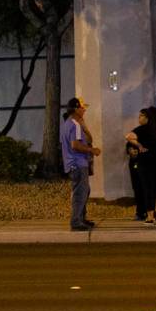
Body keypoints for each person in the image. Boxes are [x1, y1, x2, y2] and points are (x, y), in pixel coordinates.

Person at [60, 97, 100, 231]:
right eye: (82, 108)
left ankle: (81, 218)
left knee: (84, 191)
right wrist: (91, 150)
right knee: (80, 192)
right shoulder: (75, 125)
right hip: (78, 163)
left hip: (72, 163)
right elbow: (75, 145)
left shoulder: (66, 124)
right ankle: (76, 222)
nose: (84, 111)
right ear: (76, 109)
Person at [126, 142, 144, 221]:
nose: (133, 151)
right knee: (138, 195)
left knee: (144, 195)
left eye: (135, 149)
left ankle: (148, 213)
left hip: (143, 182)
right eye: (131, 149)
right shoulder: (131, 161)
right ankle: (140, 213)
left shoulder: (141, 159)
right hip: (136, 182)